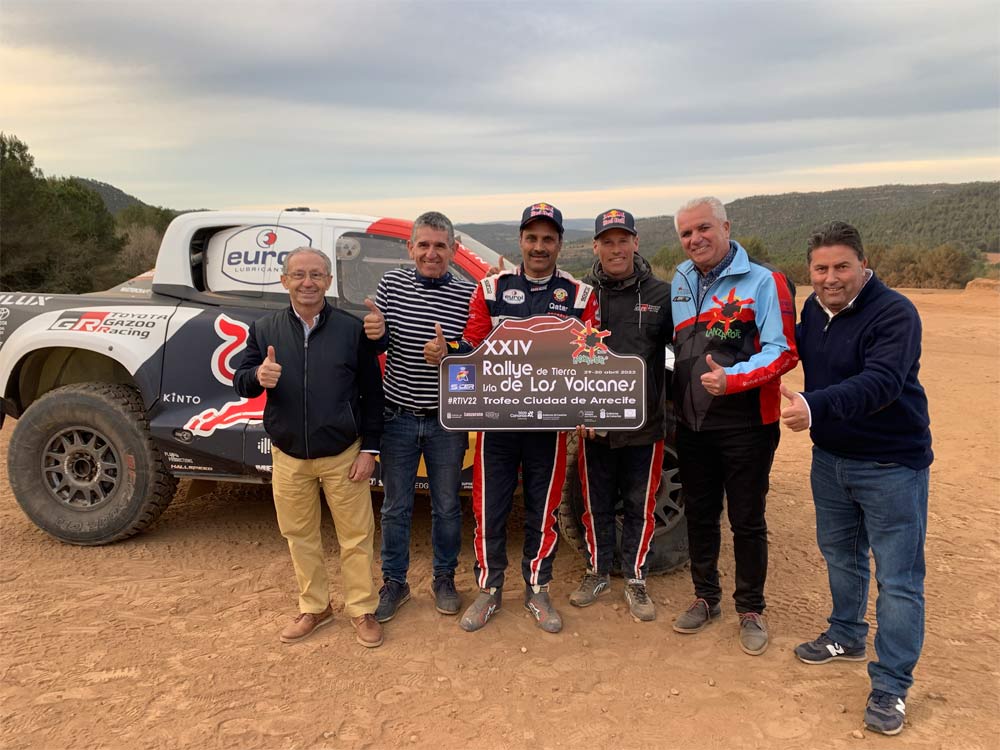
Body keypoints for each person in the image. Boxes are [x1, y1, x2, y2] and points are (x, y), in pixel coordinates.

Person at [781, 221, 932, 736]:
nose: (831, 277)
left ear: (863, 265)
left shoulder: (894, 312)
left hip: (892, 464)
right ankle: (846, 634)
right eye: (820, 268)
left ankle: (891, 685)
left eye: (842, 266)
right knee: (841, 554)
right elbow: (783, 352)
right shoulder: (812, 309)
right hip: (831, 459)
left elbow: (882, 382)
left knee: (899, 580)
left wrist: (813, 405)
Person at [426, 202, 598, 634]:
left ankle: (538, 589)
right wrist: (449, 353)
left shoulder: (580, 295)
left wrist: (589, 405)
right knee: (489, 509)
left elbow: (591, 358)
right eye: (532, 238)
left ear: (560, 243)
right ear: (520, 240)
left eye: (548, 239)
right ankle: (489, 589)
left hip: (549, 427)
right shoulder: (491, 288)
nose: (539, 247)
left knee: (544, 510)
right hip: (497, 423)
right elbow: (472, 345)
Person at [233, 247, 385, 648]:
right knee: (299, 535)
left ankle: (362, 609)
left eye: (316, 275)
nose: (308, 282)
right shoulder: (264, 329)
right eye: (299, 274)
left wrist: (370, 449)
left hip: (344, 454)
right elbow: (241, 380)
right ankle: (315, 607)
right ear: (284, 280)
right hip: (289, 456)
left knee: (356, 536)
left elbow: (373, 394)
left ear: (328, 281)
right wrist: (258, 375)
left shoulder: (351, 330)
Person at [669, 196, 798, 655]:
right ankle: (706, 597)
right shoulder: (681, 278)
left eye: (703, 228)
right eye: (686, 233)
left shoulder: (764, 280)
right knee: (699, 515)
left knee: (746, 519)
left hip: (746, 424)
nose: (695, 239)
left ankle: (751, 609)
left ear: (726, 227)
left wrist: (734, 379)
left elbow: (784, 351)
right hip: (692, 423)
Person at [362, 211, 476, 622]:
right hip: (397, 416)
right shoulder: (391, 285)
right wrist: (376, 333)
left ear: (454, 250)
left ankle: (444, 579)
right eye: (423, 245)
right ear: (410, 248)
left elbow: (478, 352)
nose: (431, 253)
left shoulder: (468, 294)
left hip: (447, 420)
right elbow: (379, 345)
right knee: (395, 507)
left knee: (447, 506)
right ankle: (395, 582)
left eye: (440, 246)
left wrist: (451, 353)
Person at [570, 209, 672, 622]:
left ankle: (635, 577)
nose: (616, 249)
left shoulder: (662, 295)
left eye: (623, 240)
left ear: (636, 243)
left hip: (644, 426)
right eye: (607, 242)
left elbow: (686, 348)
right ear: (595, 246)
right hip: (593, 427)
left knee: (639, 506)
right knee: (594, 504)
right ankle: (597, 572)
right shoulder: (580, 294)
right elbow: (560, 354)